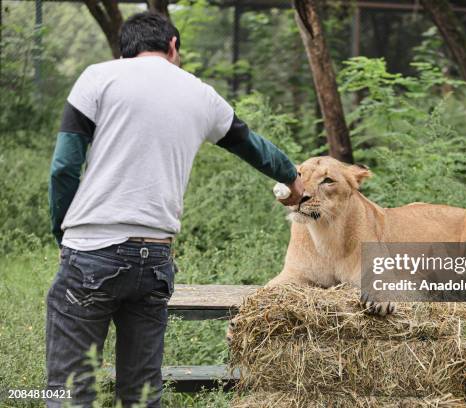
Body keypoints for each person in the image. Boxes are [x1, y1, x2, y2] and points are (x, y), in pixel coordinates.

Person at [46, 11, 303, 408]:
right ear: (172, 46)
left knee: (69, 389)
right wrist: (292, 177)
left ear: (123, 50)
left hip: (90, 253)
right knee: (142, 391)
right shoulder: (199, 93)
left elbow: (64, 166)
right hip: (154, 257)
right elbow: (251, 145)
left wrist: (64, 233)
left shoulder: (97, 76)